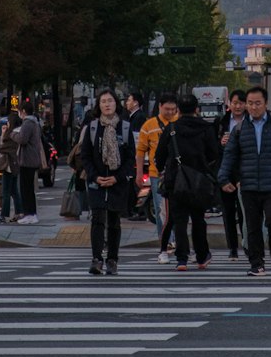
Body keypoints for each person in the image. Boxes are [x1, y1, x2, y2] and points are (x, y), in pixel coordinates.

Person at [218, 86, 271, 277]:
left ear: (266, 104)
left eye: (258, 103)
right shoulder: (239, 130)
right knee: (252, 227)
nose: (253, 107)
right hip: (248, 185)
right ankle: (257, 263)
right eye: (250, 103)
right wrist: (223, 178)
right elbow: (229, 156)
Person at [156, 93, 220, 270]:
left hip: (176, 181)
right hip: (199, 181)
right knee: (198, 219)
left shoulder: (172, 128)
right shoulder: (206, 129)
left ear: (178, 110)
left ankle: (182, 258)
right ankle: (201, 256)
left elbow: (159, 157)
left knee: (179, 220)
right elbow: (214, 154)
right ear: (196, 109)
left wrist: (165, 168)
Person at [81, 88, 135, 275]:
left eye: (110, 101)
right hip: (97, 182)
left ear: (116, 104)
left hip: (117, 182)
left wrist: (116, 177)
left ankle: (112, 259)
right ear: (98, 105)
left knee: (114, 222)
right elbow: (85, 156)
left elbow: (130, 159)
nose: (106, 104)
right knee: (97, 220)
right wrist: (95, 176)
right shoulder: (92, 128)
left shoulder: (125, 128)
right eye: (103, 101)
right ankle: (96, 259)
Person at [136, 93, 180, 261]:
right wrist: (139, 173)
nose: (170, 112)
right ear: (160, 107)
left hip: (178, 174)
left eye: (173, 109)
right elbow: (140, 152)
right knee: (161, 210)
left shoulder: (179, 122)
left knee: (179, 210)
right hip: (157, 175)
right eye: (167, 109)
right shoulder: (149, 126)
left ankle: (178, 242)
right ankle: (166, 243)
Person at [215, 90, 248, 259]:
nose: (237, 106)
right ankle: (232, 247)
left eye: (241, 103)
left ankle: (247, 243)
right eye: (235, 102)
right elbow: (212, 146)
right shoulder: (222, 121)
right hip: (226, 170)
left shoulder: (251, 120)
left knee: (245, 211)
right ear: (229, 104)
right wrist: (220, 142)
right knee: (228, 211)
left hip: (245, 171)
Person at [15, 99, 43, 224]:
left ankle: (29, 214)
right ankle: (31, 214)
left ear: (24, 111)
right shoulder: (35, 123)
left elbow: (22, 139)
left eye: (19, 111)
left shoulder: (27, 123)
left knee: (25, 188)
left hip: (27, 159)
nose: (19, 114)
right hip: (32, 158)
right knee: (29, 188)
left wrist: (12, 134)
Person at [0, 111, 23, 221]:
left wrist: (3, 134)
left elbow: (2, 148)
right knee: (14, 191)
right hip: (15, 164)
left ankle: (4, 215)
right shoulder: (19, 132)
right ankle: (18, 212)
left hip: (9, 165)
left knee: (6, 191)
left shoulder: (11, 134)